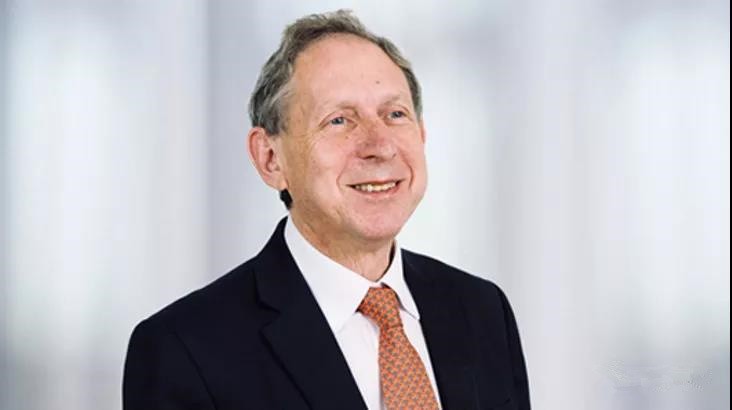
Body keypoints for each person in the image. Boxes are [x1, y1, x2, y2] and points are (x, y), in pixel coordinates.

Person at [123, 10, 530, 410]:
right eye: (339, 120)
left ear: (422, 136)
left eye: (395, 114)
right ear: (270, 158)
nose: (380, 145)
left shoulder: (482, 310)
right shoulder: (183, 351)